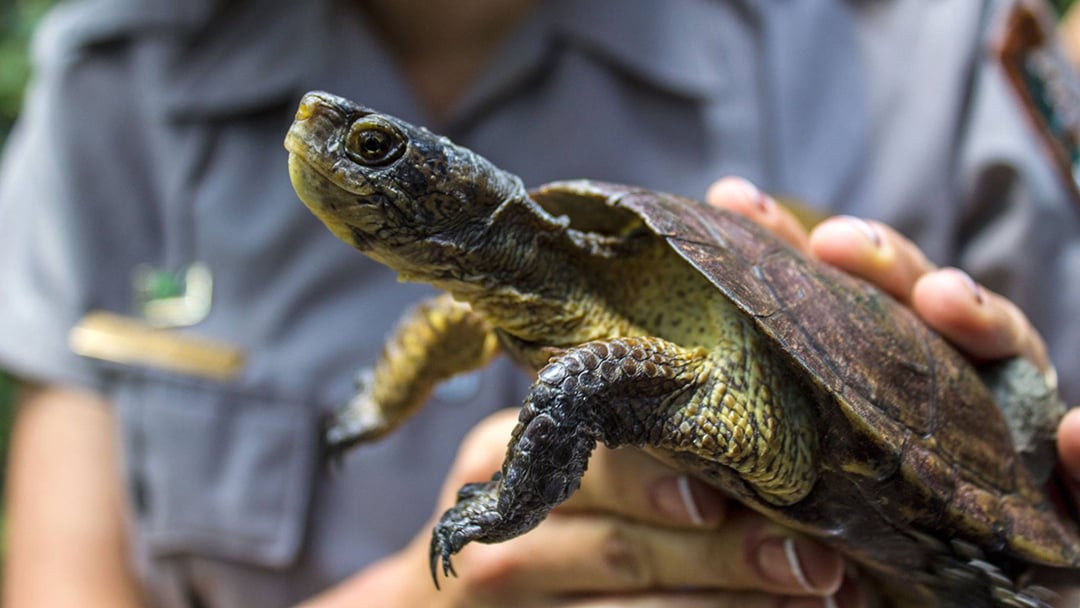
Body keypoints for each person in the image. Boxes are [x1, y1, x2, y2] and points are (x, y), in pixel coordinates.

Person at [1, 1, 1078, 607]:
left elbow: (586, 376)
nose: (320, 132)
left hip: (893, 489)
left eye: (371, 150)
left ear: (464, 206)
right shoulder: (114, 85)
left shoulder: (926, 53)